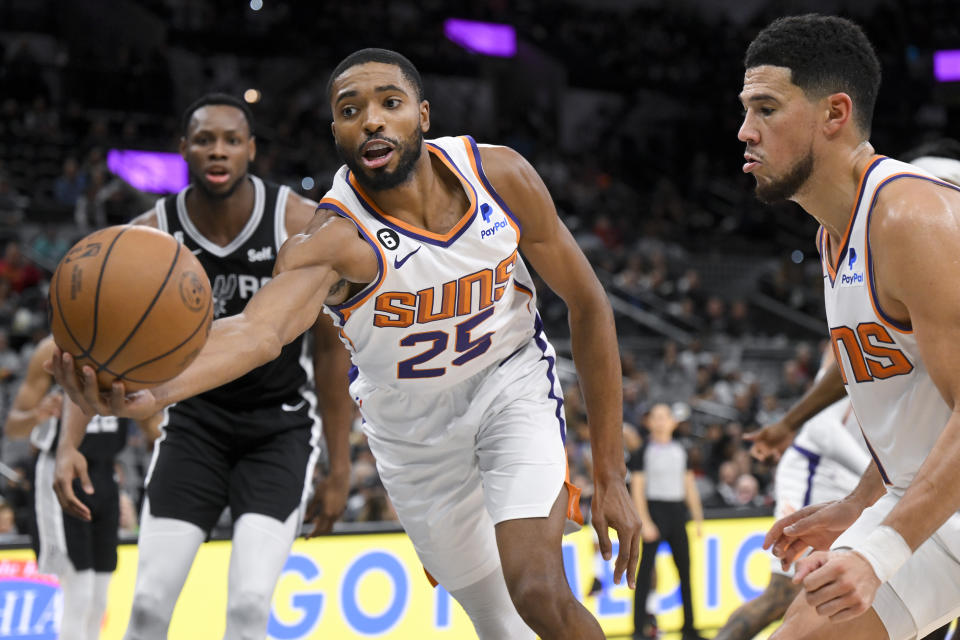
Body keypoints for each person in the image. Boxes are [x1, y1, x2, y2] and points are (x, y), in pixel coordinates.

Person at [51, 49, 641, 640]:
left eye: (390, 102)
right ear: (337, 132)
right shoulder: (330, 239)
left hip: (509, 384)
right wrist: (156, 392)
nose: (373, 120)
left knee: (538, 590)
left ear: (424, 115)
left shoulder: (500, 176)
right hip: (413, 437)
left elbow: (588, 304)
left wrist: (611, 474)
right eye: (350, 110)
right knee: (499, 626)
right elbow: (260, 332)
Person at [53, 93, 355, 639]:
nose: (218, 151)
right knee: (145, 607)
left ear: (251, 151)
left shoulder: (296, 222)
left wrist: (339, 467)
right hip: (194, 427)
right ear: (183, 149)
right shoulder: (149, 233)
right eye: (205, 140)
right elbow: (94, 346)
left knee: (246, 609)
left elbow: (332, 353)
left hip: (278, 429)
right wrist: (69, 445)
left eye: (231, 141)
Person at [736, 14, 960, 639]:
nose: (744, 131)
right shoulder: (836, 233)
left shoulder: (910, 219)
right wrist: (860, 504)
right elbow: (915, 408)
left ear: (835, 113)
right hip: (936, 505)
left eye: (766, 109)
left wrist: (880, 552)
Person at [4, 335, 154, 640]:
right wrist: (38, 414)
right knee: (79, 592)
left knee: (100, 597)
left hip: (104, 474)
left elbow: (152, 425)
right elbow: (13, 427)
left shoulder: (129, 345)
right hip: (60, 476)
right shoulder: (51, 350)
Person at [715, 353, 870, 640]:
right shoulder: (852, 330)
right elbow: (820, 428)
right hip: (815, 472)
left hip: (860, 481)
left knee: (838, 593)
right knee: (783, 593)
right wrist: (882, 477)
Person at [629, 403, 705, 640]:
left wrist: (698, 517)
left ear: (673, 422)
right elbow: (637, 488)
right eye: (656, 417)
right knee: (645, 573)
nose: (661, 421)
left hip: (677, 513)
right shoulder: (643, 452)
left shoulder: (681, 450)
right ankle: (638, 629)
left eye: (665, 417)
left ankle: (689, 628)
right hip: (654, 511)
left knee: (685, 571)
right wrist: (644, 521)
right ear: (649, 422)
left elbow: (689, 485)